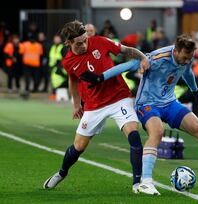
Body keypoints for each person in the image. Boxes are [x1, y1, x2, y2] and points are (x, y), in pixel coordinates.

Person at [80, 34, 198, 195]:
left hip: (170, 103)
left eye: (189, 58)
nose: (186, 60)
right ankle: (146, 182)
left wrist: (195, 92)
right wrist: (101, 77)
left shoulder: (187, 58)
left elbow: (188, 72)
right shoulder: (157, 58)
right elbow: (130, 65)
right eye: (184, 57)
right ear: (176, 51)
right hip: (147, 105)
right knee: (157, 131)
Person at [43, 20, 150, 193]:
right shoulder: (69, 62)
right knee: (78, 147)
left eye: (85, 40)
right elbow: (74, 80)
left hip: (119, 97)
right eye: (79, 43)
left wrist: (143, 57)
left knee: (134, 136)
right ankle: (62, 173)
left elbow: (127, 50)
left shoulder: (100, 41)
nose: (84, 44)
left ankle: (137, 184)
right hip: (94, 105)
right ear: (68, 43)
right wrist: (76, 104)